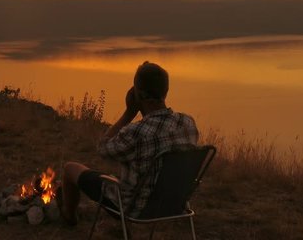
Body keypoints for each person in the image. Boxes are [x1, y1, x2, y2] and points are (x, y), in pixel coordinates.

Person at [59, 61, 199, 225]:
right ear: (166, 92)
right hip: (173, 205)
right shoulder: (188, 123)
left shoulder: (136, 132)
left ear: (138, 94)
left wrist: (128, 113)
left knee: (70, 169)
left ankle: (69, 217)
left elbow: (103, 149)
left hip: (134, 208)